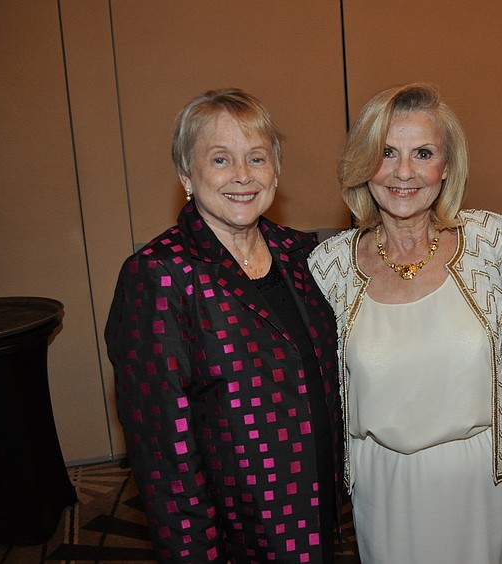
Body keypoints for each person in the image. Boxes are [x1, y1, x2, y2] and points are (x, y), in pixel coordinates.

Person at [105, 88, 342, 563]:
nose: (242, 176)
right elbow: (164, 455)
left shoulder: (300, 256)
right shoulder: (159, 275)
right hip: (238, 534)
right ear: (186, 176)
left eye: (256, 158)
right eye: (220, 159)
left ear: (275, 171)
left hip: (318, 509)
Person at [308, 83, 502, 563]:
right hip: (385, 490)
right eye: (386, 152)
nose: (404, 172)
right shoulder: (329, 268)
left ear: (447, 166)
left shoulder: (494, 242)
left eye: (423, 152)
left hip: (484, 485)